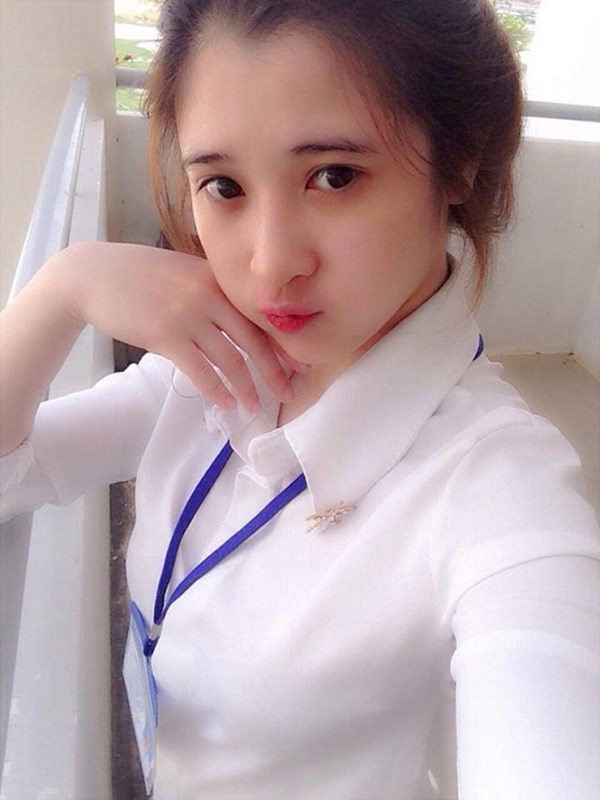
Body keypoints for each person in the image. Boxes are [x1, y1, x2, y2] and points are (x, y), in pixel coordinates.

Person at [0, 0, 598, 797]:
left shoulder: (499, 490)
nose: (271, 263)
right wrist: (61, 288)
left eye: (334, 176)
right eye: (223, 186)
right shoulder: (205, 373)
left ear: (458, 161)